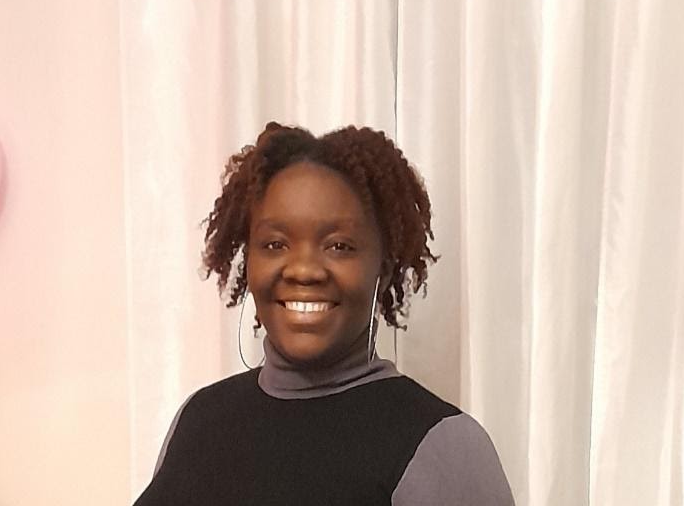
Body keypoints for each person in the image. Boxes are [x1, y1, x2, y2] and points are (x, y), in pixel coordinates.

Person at [134, 122, 514, 505]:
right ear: (248, 258)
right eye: (275, 244)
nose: (304, 269)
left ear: (382, 267)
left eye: (339, 246)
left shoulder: (441, 445)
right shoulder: (200, 420)